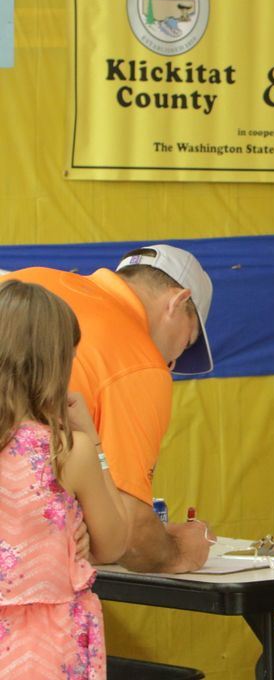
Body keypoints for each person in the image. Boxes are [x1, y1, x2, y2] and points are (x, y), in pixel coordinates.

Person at [0, 244, 215, 573]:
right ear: (179, 301)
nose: (172, 364)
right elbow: (130, 536)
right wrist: (181, 552)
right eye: (187, 342)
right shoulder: (141, 363)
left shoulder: (25, 283)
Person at [0, 280, 129, 678]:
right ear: (54, 364)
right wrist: (95, 441)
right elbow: (114, 544)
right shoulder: (67, 452)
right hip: (51, 648)